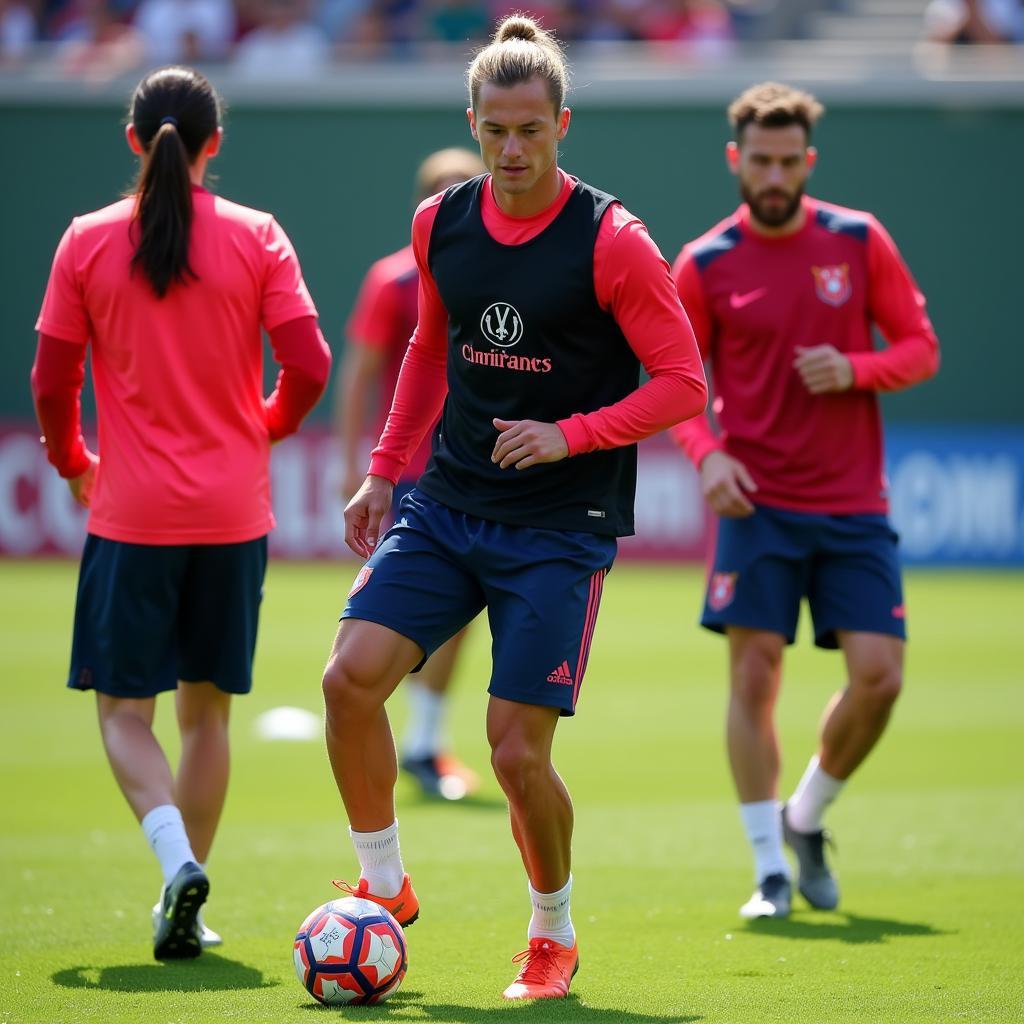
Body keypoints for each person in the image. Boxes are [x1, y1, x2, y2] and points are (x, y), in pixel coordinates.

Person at [320, 14, 707, 1001]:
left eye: (530, 129)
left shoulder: (612, 240)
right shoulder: (439, 222)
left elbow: (681, 384)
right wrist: (381, 470)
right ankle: (385, 884)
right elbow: (424, 351)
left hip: (557, 527)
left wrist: (570, 432)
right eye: (496, 129)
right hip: (447, 502)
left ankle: (552, 932)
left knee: (512, 751)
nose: (512, 148)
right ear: (473, 121)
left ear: (562, 125)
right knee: (347, 680)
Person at [31, 66, 331, 960]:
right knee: (208, 718)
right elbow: (309, 364)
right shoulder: (258, 235)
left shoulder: (86, 240)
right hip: (235, 514)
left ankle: (172, 866)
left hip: (132, 516)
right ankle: (188, 893)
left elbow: (52, 382)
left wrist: (73, 463)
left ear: (133, 139)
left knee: (127, 714)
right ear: (215, 144)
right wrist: (265, 430)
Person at [670, 82, 939, 919]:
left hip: (854, 502)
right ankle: (769, 872)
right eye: (762, 162)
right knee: (754, 675)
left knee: (880, 678)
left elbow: (922, 348)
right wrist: (707, 456)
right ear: (735, 161)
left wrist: (856, 368)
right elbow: (677, 385)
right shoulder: (704, 262)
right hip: (756, 505)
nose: (776, 175)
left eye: (790, 162)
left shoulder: (859, 240)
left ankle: (807, 813)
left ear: (808, 161)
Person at [335, 146, 485, 801]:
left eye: (465, 189)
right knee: (396, 612)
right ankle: (403, 738)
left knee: (460, 616)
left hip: (478, 471)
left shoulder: (499, 277)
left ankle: (424, 742)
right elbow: (362, 370)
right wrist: (355, 463)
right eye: (444, 191)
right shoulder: (393, 280)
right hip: (414, 474)